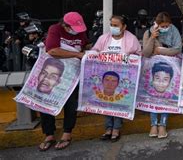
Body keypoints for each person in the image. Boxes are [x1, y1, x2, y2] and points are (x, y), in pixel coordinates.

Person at [38, 12, 89, 151]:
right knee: (46, 100)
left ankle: (67, 133)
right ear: (65, 25)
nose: (75, 32)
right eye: (72, 28)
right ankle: (49, 134)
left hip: (72, 75)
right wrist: (76, 54)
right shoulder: (55, 29)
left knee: (71, 103)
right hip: (53, 71)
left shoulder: (81, 33)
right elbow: (52, 50)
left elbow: (84, 46)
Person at [91, 15, 141, 142]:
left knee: (119, 102)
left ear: (124, 27)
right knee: (107, 100)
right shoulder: (104, 38)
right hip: (106, 75)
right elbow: (95, 51)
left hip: (123, 77)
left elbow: (138, 55)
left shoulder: (132, 39)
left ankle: (116, 128)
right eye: (111, 24)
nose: (112, 27)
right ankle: (108, 128)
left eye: (116, 25)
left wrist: (130, 58)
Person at [142, 12, 182, 138]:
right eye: (162, 26)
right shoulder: (148, 33)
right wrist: (152, 37)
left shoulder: (174, 31)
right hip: (153, 70)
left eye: (167, 26)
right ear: (156, 24)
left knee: (166, 95)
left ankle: (163, 125)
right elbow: (146, 53)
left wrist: (159, 51)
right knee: (153, 95)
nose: (165, 28)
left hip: (170, 69)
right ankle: (153, 124)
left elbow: (177, 49)